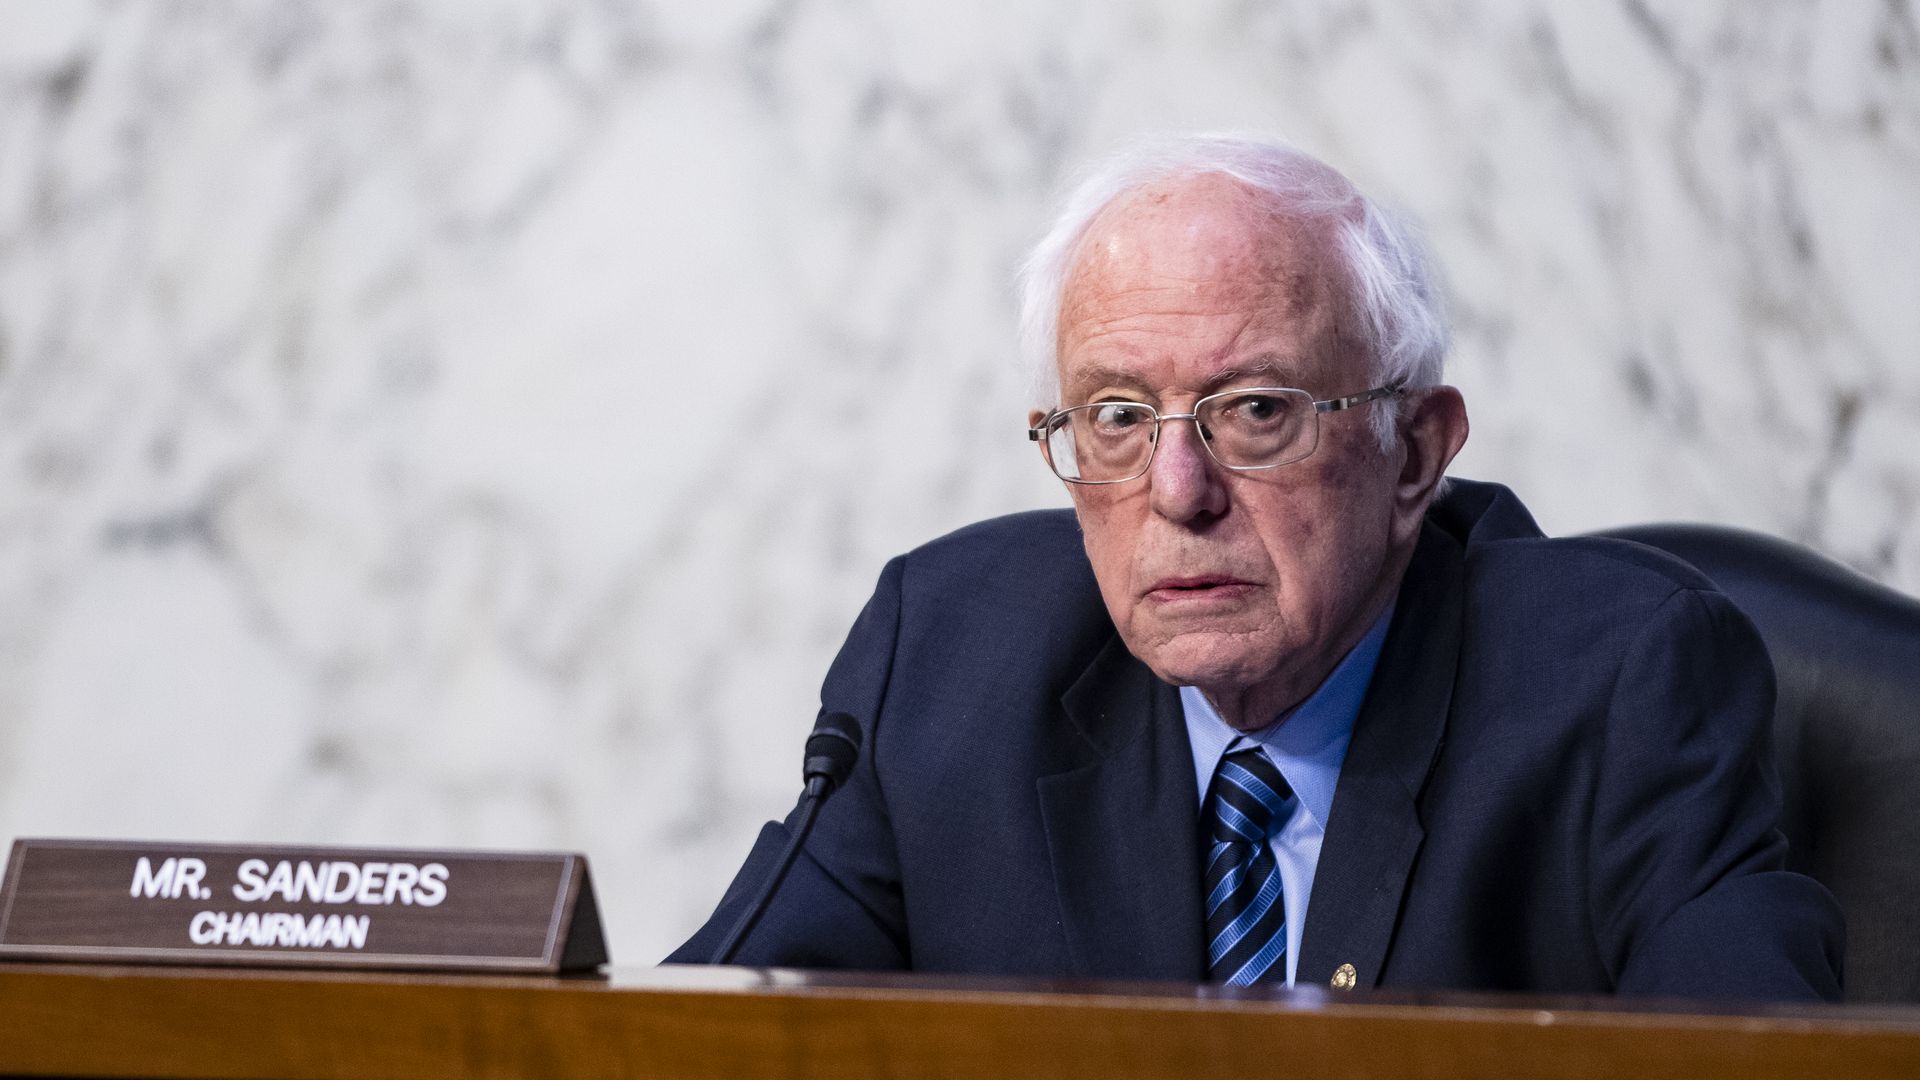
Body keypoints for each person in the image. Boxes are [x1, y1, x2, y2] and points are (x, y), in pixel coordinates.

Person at [669, 133, 1843, 1000]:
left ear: (1413, 453)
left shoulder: (1624, 684)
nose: (1178, 493)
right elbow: (699, 1037)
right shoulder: (944, 660)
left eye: (1258, 410)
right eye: (1118, 417)